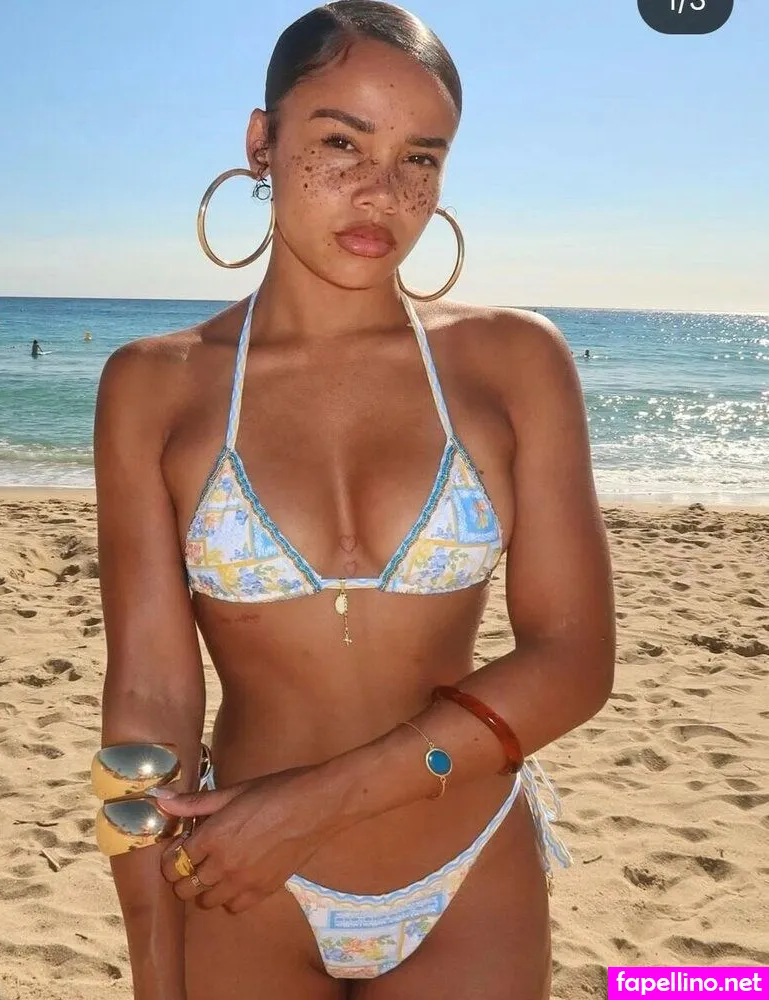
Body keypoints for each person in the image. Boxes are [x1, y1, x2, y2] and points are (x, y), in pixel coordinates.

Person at [93, 4, 615, 999]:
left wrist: (310, 806)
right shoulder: (155, 386)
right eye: (341, 144)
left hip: (468, 872)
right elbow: (149, 701)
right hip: (240, 886)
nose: (383, 192)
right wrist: (155, 967)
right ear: (261, 142)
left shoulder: (514, 363)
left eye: (421, 158)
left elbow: (574, 661)